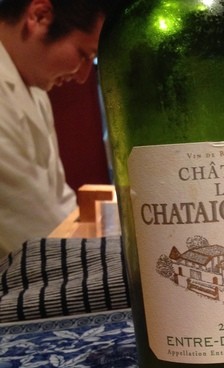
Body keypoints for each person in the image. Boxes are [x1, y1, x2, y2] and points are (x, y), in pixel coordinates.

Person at [0, 0, 114, 258]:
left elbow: (59, 200)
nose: (82, 76)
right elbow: (30, 225)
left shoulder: (36, 86)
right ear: (39, 15)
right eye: (84, 55)